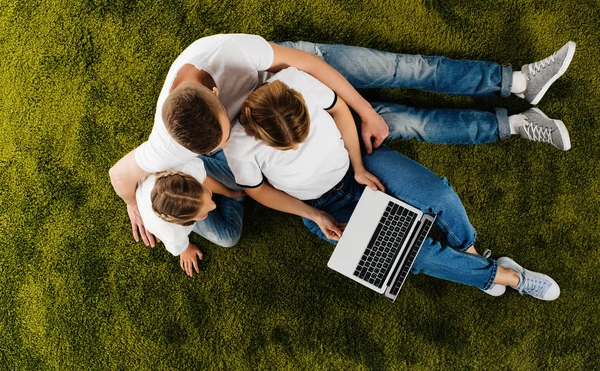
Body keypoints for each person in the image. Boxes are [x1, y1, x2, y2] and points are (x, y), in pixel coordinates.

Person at [109, 34, 575, 251]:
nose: (227, 135)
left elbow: (312, 70)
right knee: (404, 122)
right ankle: (512, 124)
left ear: (213, 90)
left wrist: (362, 111)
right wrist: (134, 205)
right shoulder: (167, 141)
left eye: (224, 129)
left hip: (290, 82)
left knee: (397, 70)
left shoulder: (226, 52)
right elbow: (120, 175)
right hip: (275, 130)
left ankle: (515, 82)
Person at [223, 67, 560, 300]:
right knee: (415, 256)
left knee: (437, 194)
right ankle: (511, 276)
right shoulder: (239, 144)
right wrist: (314, 216)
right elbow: (259, 190)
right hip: (323, 207)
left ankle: (471, 255)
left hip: (360, 165)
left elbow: (340, 111)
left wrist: (357, 165)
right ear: (257, 134)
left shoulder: (295, 81)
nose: (298, 147)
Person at [135, 158, 241, 276]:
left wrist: (229, 193)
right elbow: (177, 244)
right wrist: (185, 248)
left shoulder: (187, 170)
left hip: (186, 167)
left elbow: (205, 181)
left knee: (240, 180)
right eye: (204, 214)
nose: (213, 205)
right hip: (170, 217)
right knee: (228, 237)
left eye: (208, 193)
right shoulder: (171, 233)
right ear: (188, 222)